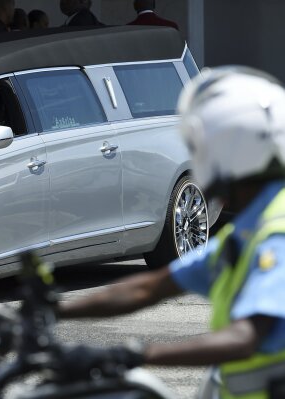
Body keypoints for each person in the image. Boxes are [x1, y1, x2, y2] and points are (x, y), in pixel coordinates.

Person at [57, 67, 285, 399]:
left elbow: (245, 337)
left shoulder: (276, 234)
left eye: (200, 146)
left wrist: (135, 355)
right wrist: (53, 309)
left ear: (232, 148)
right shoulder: (251, 227)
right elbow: (150, 287)